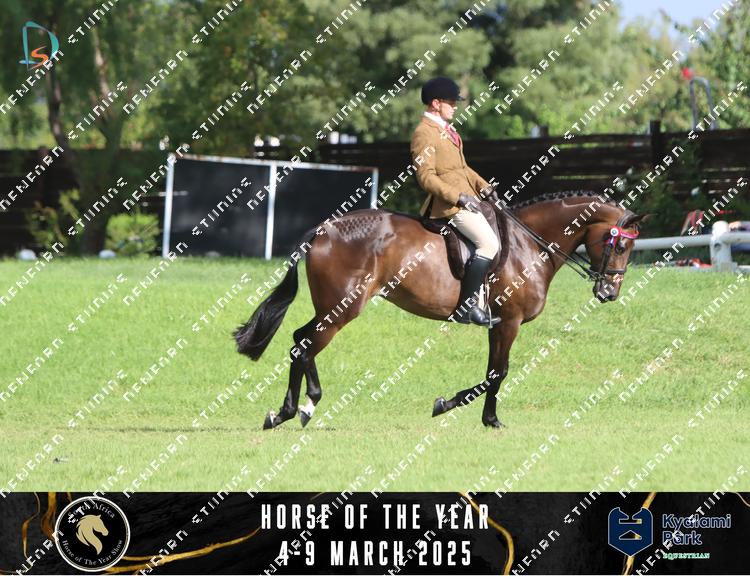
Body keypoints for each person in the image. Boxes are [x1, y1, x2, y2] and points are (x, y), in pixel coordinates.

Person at [410, 76, 500, 327]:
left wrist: (484, 186)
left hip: (467, 199)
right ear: (436, 103)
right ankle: (466, 308)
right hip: (448, 206)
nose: (455, 106)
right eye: (451, 102)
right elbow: (425, 177)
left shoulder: (447, 130)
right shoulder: (424, 133)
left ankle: (481, 301)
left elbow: (462, 168)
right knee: (489, 244)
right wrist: (457, 197)